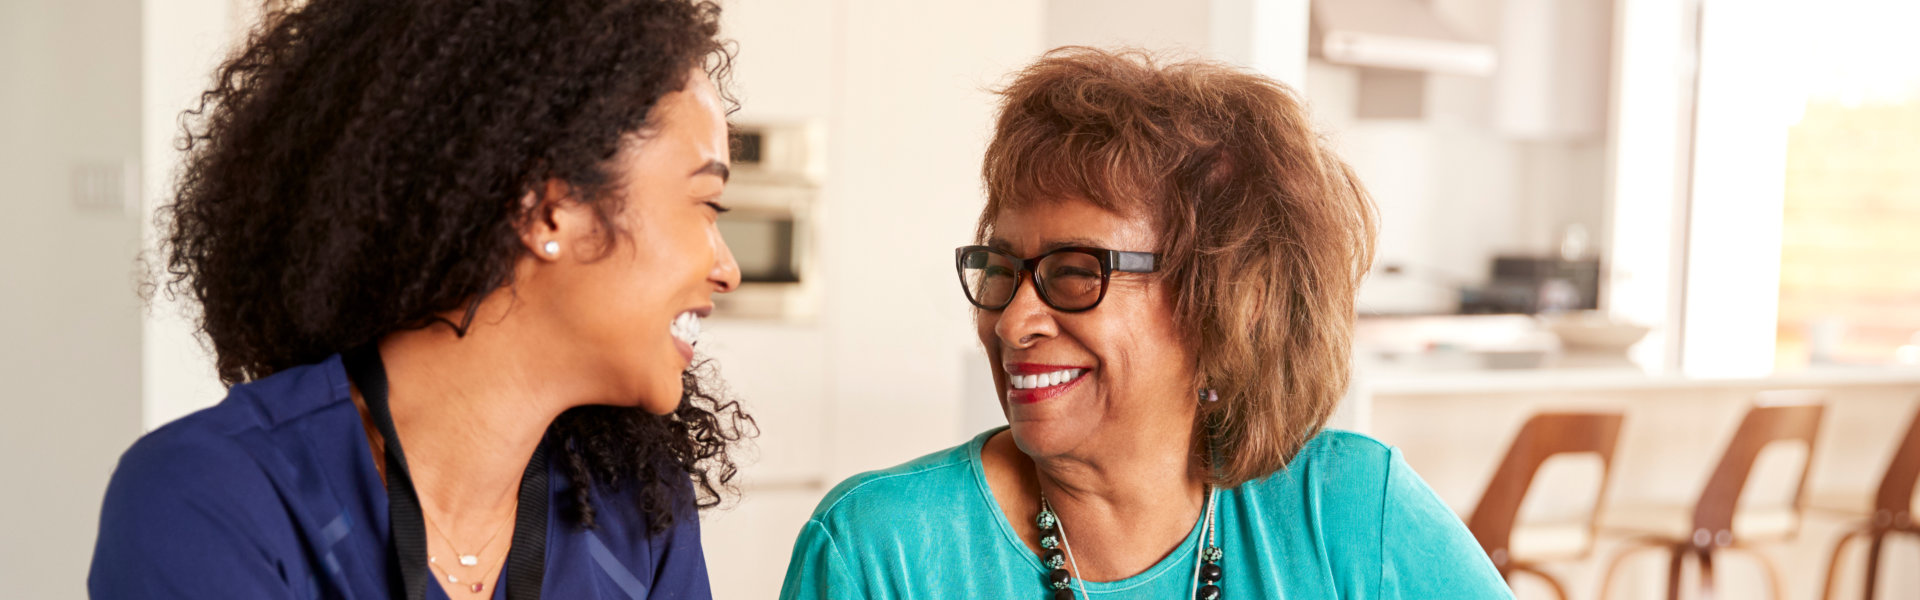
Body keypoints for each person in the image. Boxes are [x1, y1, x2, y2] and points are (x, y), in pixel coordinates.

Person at [779, 47, 1511, 599]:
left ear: (1226, 300)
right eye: (1003, 269)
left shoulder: (1348, 511)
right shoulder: (882, 550)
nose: (1013, 322)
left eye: (1073, 272)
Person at [88, 1, 752, 598]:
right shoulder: (211, 500)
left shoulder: (639, 511)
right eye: (705, 203)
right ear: (549, 213)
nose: (727, 270)